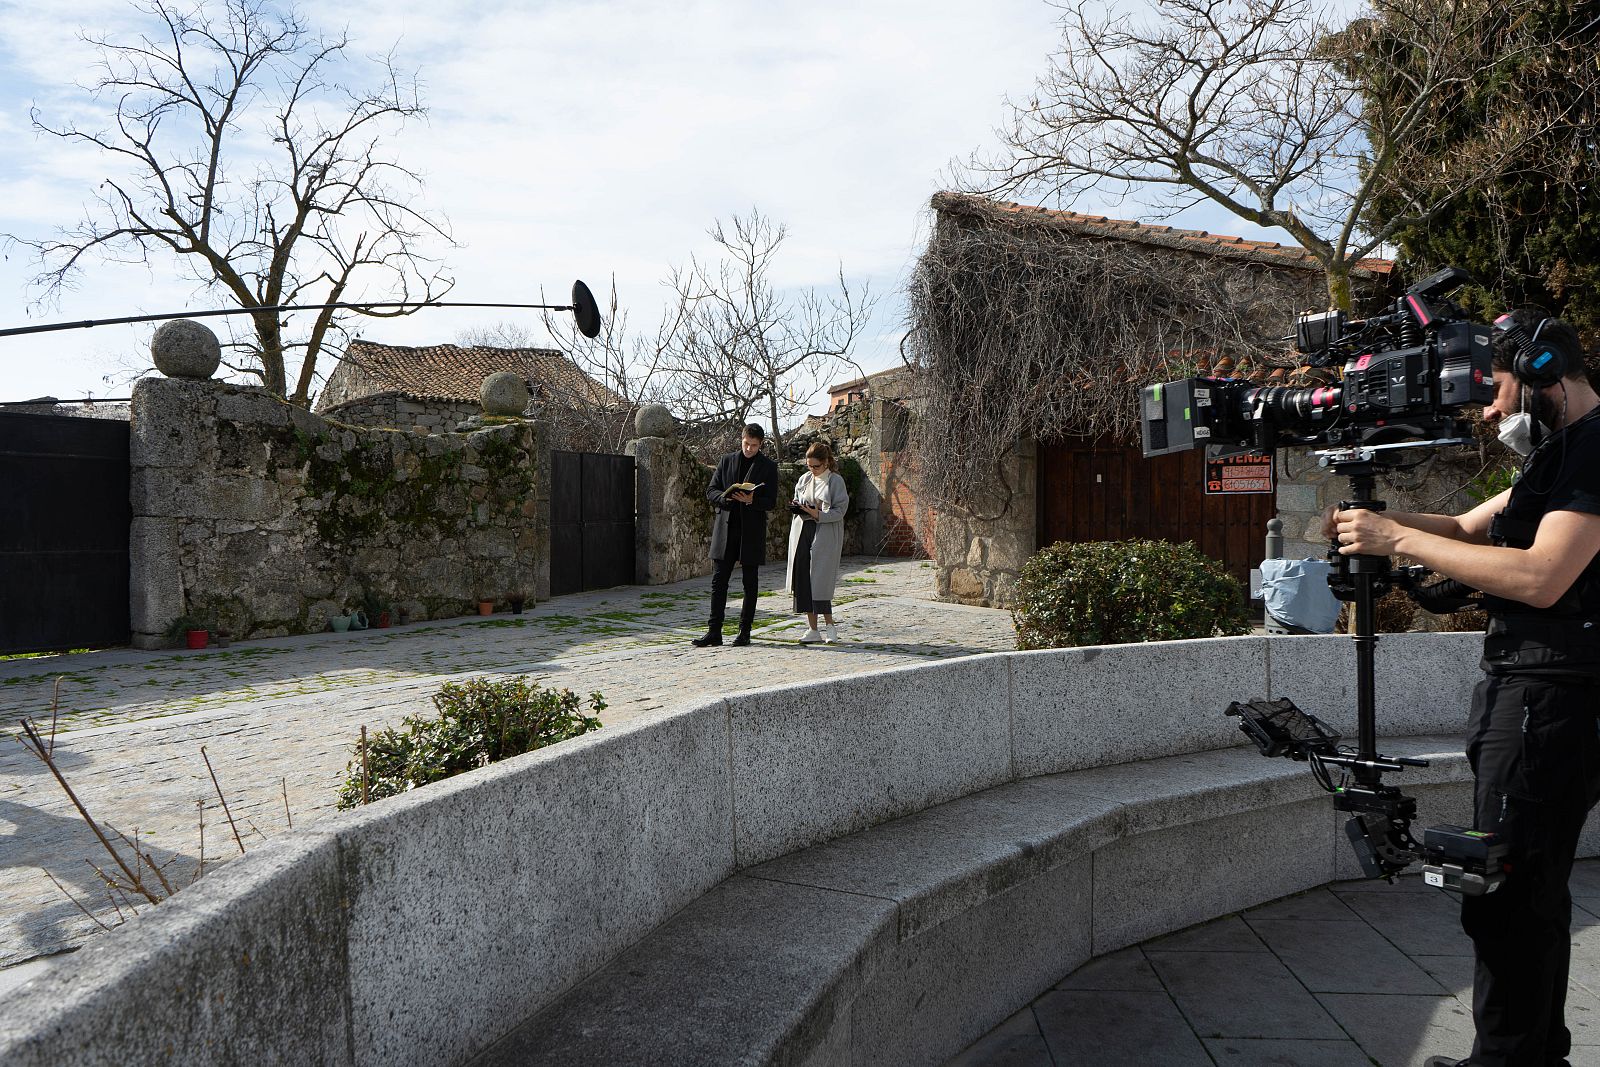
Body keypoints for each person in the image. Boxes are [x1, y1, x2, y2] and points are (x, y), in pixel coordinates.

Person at [1328, 314, 1600, 1067]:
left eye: (1498, 390)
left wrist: (1397, 541)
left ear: (1545, 373)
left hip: (1551, 700)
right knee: (1527, 892)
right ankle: (1530, 1055)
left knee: (1507, 895)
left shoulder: (1596, 450)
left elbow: (1545, 577)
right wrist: (1370, 522)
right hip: (1526, 693)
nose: (1486, 410)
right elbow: (1462, 524)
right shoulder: (1558, 453)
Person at [693, 423, 779, 647]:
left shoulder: (768, 466)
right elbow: (711, 490)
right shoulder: (726, 460)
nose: (749, 449)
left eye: (754, 446)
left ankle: (744, 632)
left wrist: (753, 500)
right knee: (718, 581)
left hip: (751, 531)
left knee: (750, 583)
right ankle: (714, 632)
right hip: (726, 528)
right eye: (746, 444)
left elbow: (772, 501)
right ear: (741, 439)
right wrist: (725, 497)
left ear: (761, 445)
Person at [786, 442, 850, 644]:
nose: (812, 470)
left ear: (826, 463)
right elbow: (798, 499)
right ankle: (813, 629)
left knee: (820, 582)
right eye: (809, 466)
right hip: (803, 531)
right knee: (803, 579)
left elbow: (839, 511)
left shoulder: (835, 481)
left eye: (816, 466)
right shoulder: (804, 479)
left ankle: (830, 626)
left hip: (824, 533)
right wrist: (798, 507)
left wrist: (817, 513)